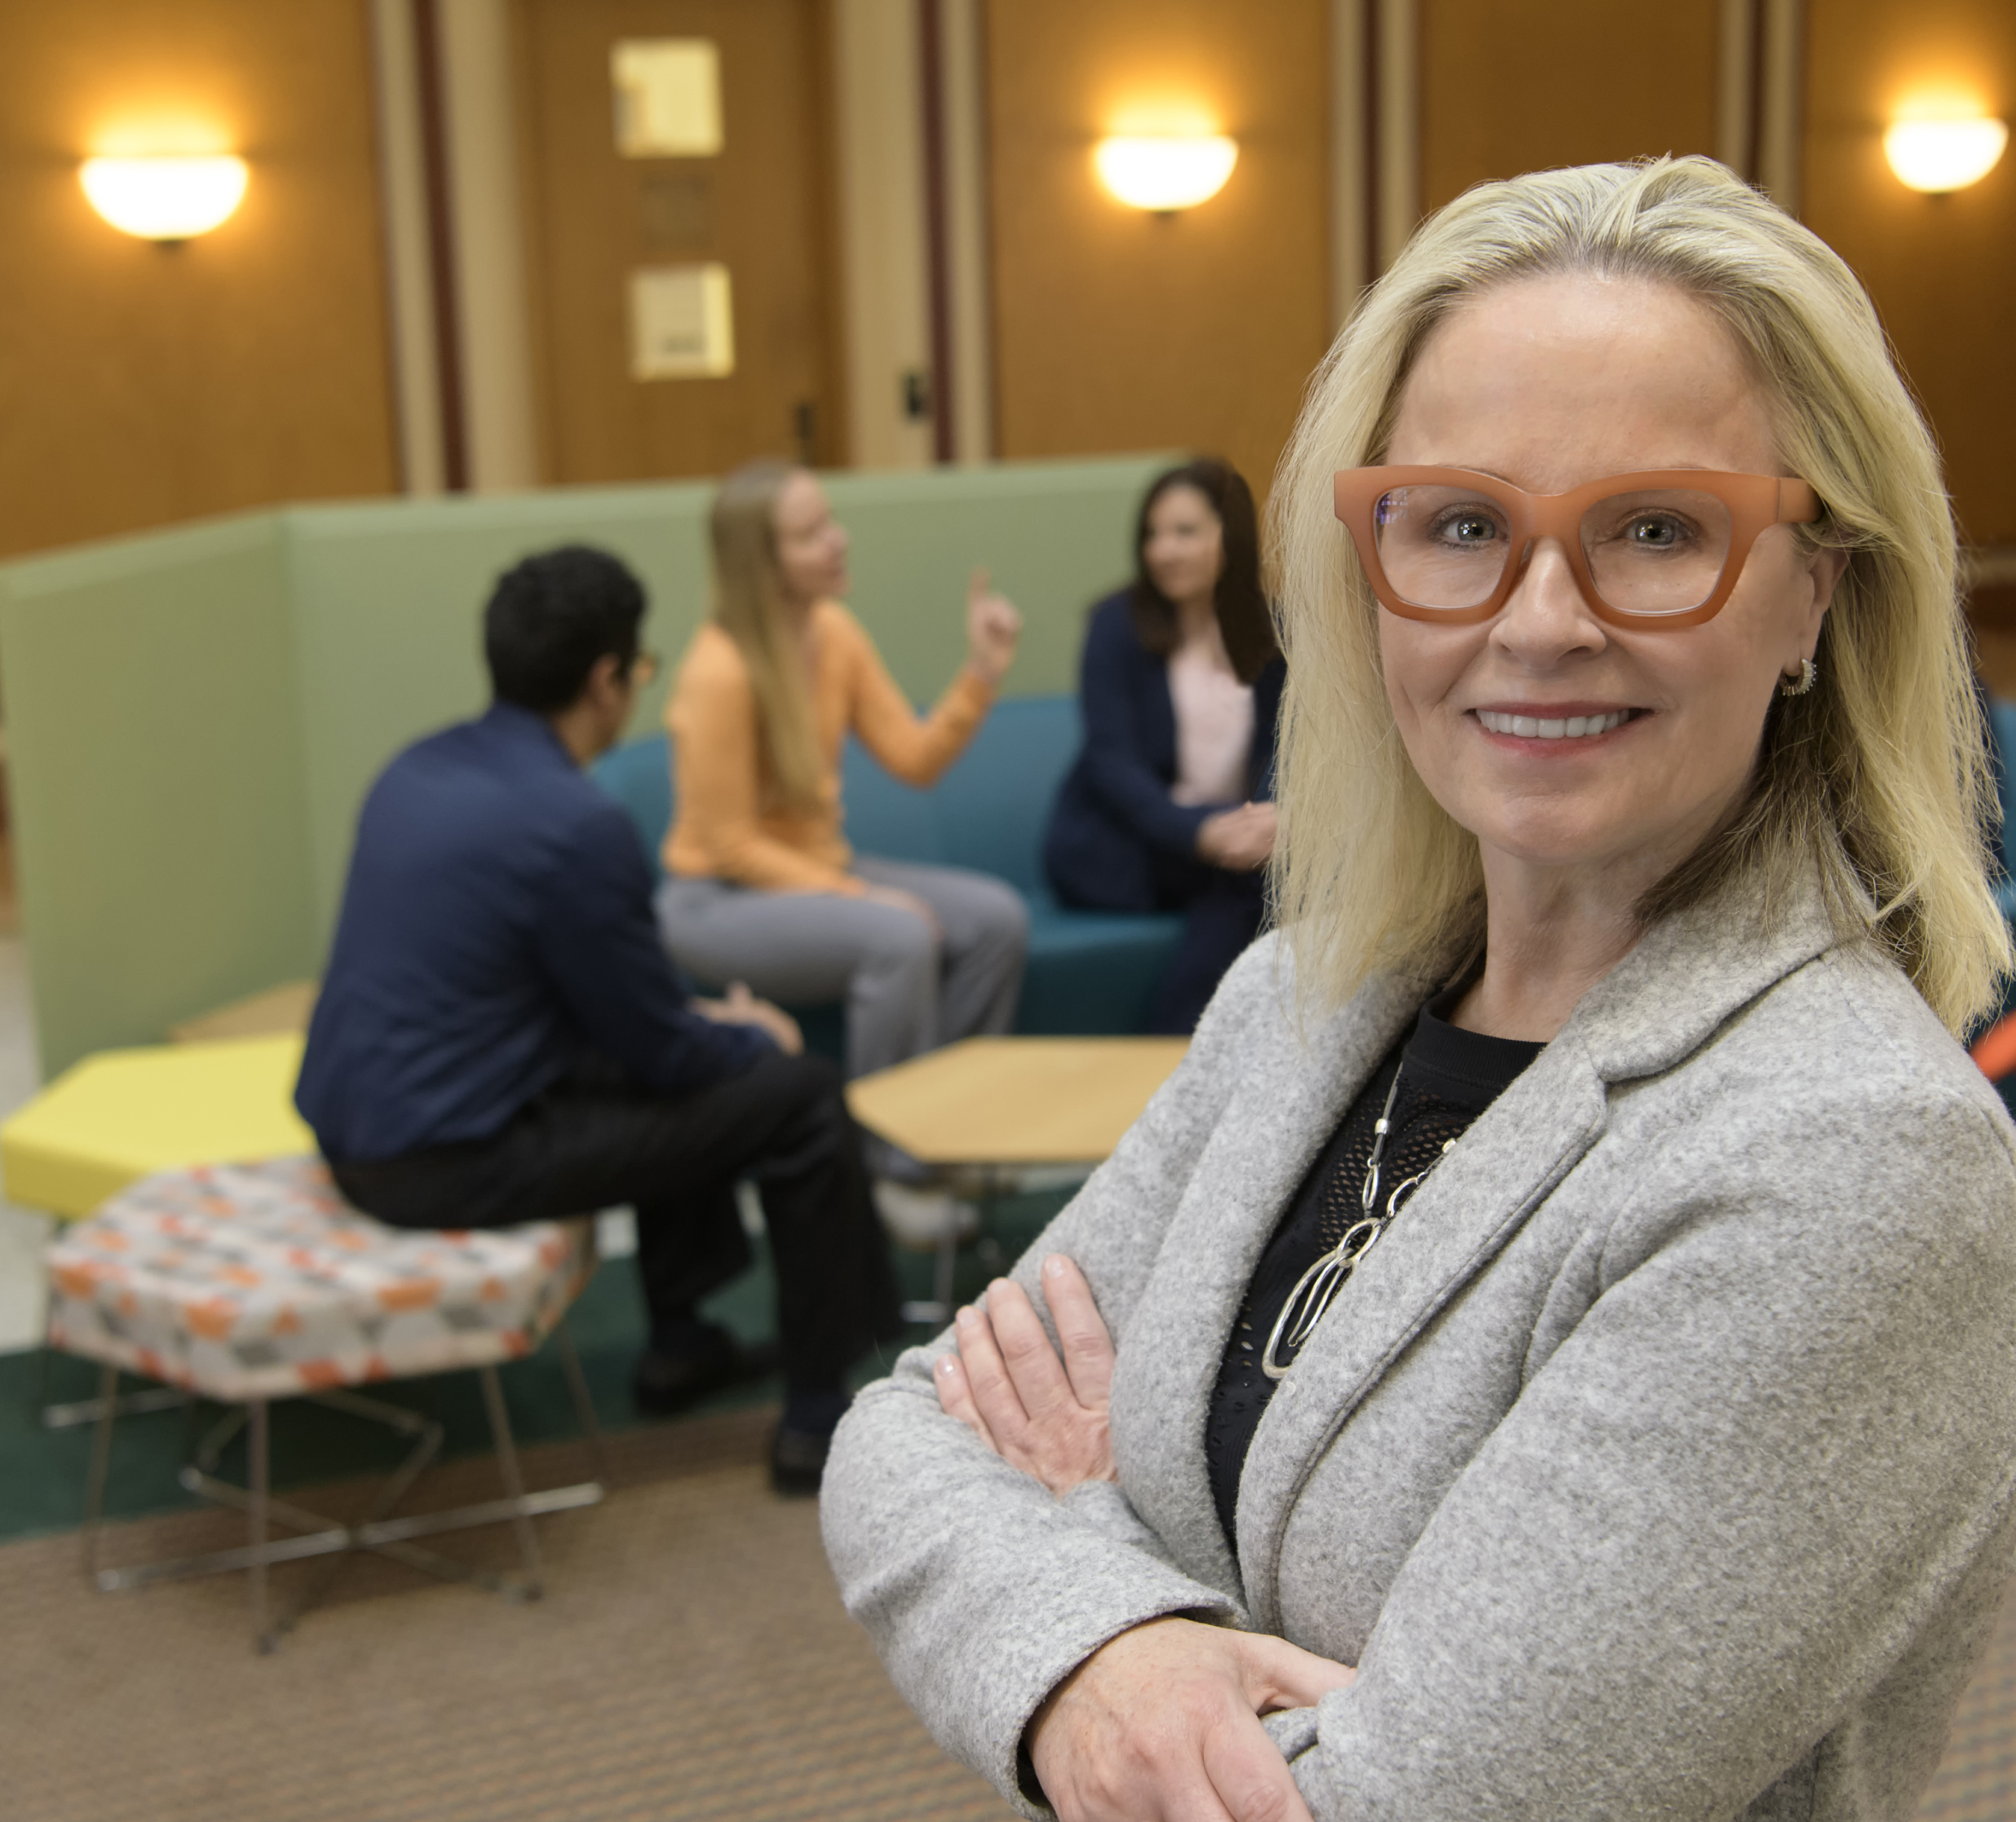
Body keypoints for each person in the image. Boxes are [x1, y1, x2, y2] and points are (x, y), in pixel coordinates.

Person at [819, 157, 2016, 1822]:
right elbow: (896, 1436)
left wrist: (1073, 1559)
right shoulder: (1307, 1000)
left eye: (1656, 529)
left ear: (1817, 585)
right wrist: (1133, 1659)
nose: (1538, 619)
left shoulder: (1847, 1161)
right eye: (1457, 527)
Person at [295, 545, 900, 1498]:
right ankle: (817, 1413)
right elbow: (660, 1047)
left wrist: (701, 1027)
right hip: (443, 1155)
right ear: (607, 680)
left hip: (354, 1122)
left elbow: (616, 1015)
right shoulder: (575, 823)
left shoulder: (414, 767)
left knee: (686, 1070)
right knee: (801, 1097)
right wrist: (755, 1033)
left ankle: (679, 1345)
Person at [655, 458, 1029, 1234]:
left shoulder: (833, 632)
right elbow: (728, 845)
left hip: (816, 873)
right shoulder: (718, 672)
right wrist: (863, 898)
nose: (838, 540)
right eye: (811, 534)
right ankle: (884, 1172)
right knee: (896, 937)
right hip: (715, 900)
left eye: (830, 522)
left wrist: (981, 673)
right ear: (765, 563)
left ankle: (941, 1139)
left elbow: (915, 759)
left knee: (996, 919)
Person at [1044, 458, 1288, 1033]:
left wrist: (1273, 820)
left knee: (1271, 875)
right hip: (1121, 843)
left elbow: (1291, 746)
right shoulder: (1114, 626)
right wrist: (1199, 832)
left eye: (1185, 532)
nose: (1163, 551)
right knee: (1249, 885)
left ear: (1231, 535)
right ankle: (1177, 1037)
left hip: (1235, 840)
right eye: (1153, 535)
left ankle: (1187, 1045)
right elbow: (1112, 765)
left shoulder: (1276, 631)